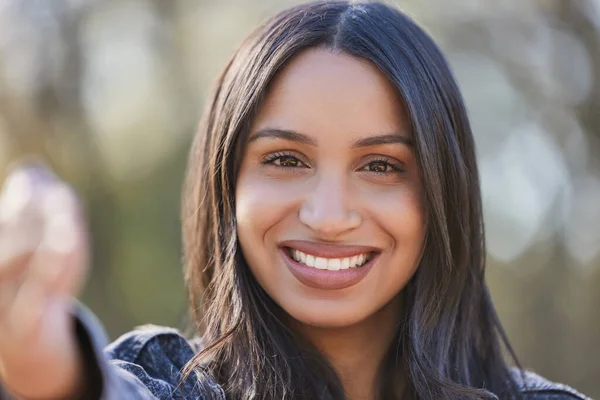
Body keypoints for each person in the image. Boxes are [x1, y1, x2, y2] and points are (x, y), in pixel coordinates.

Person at [0, 1, 591, 399]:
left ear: (442, 194)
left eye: (381, 166)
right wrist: (42, 358)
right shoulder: (166, 381)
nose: (328, 217)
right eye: (285, 160)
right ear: (226, 184)